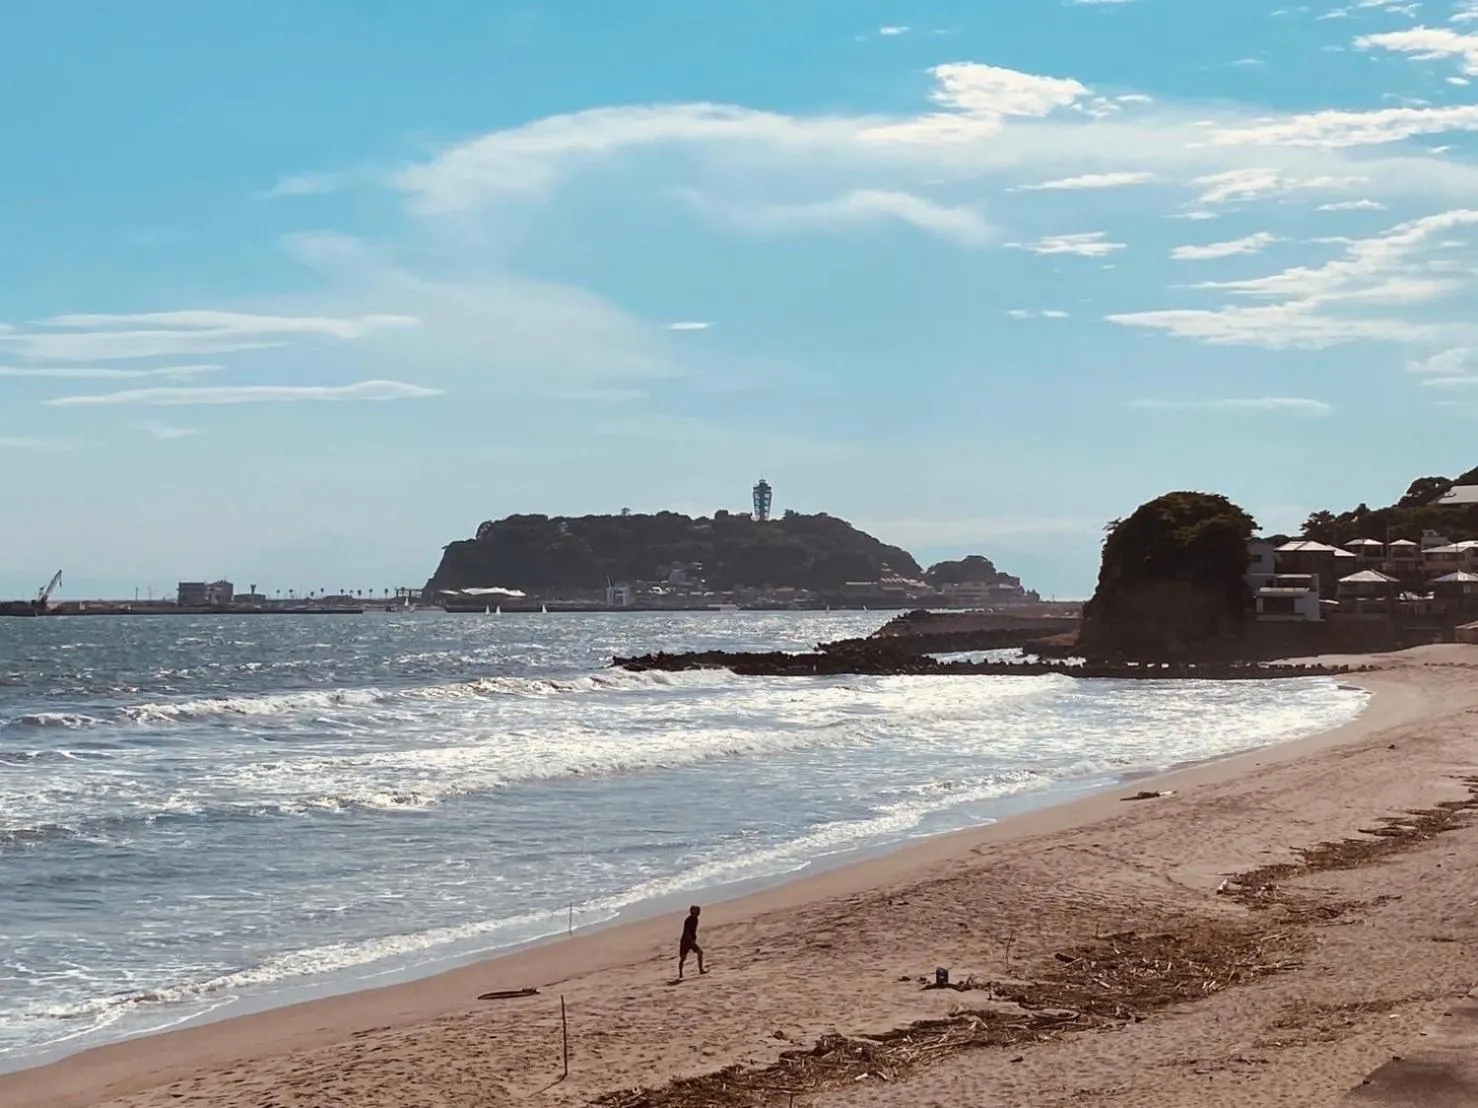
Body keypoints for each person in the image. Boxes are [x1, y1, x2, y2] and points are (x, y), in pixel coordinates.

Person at [678, 904, 706, 978]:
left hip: (690, 940)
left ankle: (701, 970)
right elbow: (687, 931)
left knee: (700, 952)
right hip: (686, 941)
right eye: (697, 910)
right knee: (683, 958)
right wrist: (691, 940)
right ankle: (680, 974)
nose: (699, 912)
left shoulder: (695, 919)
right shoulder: (690, 919)